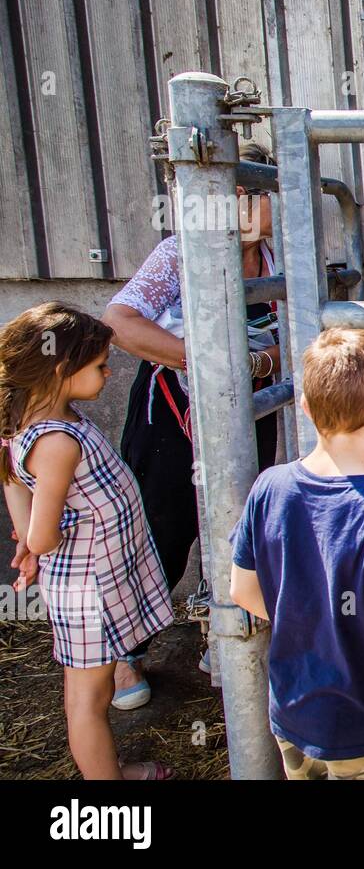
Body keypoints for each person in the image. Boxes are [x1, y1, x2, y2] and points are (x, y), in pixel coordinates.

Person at [101, 139, 281, 708]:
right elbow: (120, 321)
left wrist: (258, 364)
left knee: (234, 523)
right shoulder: (180, 254)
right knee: (163, 527)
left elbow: (296, 336)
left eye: (257, 193)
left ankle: (219, 634)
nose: (247, 206)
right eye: (234, 195)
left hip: (251, 408)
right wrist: (201, 359)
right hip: (175, 416)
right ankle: (117, 658)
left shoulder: (277, 264)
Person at [229, 328, 364, 780]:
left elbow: (241, 589)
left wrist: (308, 621)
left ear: (304, 408)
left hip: (291, 710)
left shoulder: (270, 487)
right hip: (359, 719)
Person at [1, 303, 174, 779]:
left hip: (95, 579)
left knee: (90, 696)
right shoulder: (56, 442)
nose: (108, 372)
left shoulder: (40, 420)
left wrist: (25, 547)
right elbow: (42, 534)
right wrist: (36, 543)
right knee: (88, 701)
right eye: (99, 366)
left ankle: (110, 770)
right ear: (62, 369)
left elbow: (13, 482)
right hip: (87, 586)